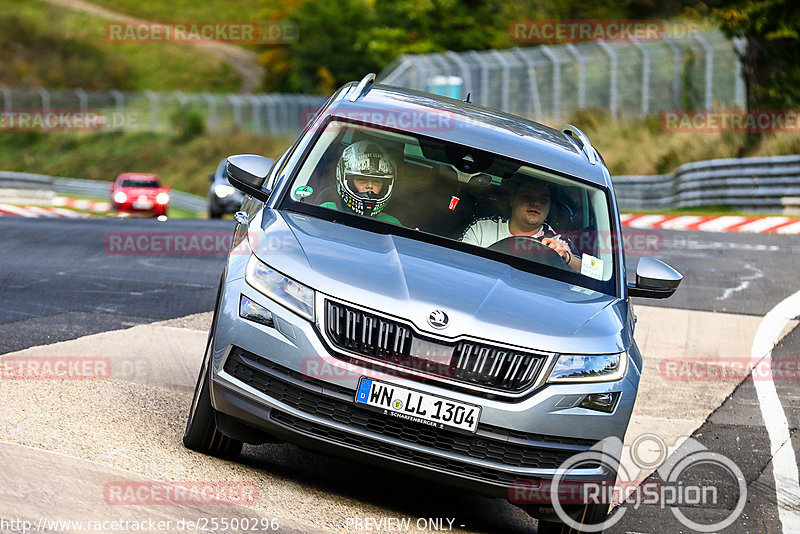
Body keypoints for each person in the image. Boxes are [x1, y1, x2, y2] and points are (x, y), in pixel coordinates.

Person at [461, 178, 582, 272]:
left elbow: (593, 274)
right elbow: (461, 263)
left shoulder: (558, 242)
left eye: (543, 199)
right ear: (512, 199)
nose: (535, 203)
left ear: (549, 206)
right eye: (527, 196)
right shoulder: (482, 229)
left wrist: (567, 258)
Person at [319, 140, 401, 224]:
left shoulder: (392, 223)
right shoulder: (329, 209)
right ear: (348, 180)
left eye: (376, 181)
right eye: (362, 179)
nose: (369, 186)